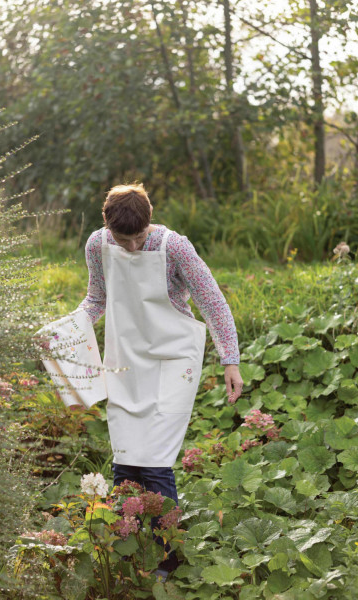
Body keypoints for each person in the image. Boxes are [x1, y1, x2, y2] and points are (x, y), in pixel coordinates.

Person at [77, 183, 243, 579]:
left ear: (148, 222)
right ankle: (127, 554)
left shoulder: (174, 247)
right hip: (126, 361)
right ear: (108, 228)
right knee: (125, 460)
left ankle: (166, 561)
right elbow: (96, 299)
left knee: (154, 462)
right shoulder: (98, 245)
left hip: (173, 360)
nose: (132, 247)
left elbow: (211, 301)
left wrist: (230, 360)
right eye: (124, 240)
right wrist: (66, 331)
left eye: (138, 238)